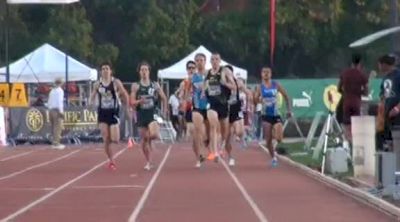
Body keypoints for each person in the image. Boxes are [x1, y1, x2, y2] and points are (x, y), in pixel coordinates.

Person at [89, 62, 129, 170]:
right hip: (102, 112)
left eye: (107, 68)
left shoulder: (116, 82)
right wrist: (90, 103)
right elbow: (92, 96)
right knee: (105, 138)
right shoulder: (97, 84)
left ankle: (111, 139)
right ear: (101, 71)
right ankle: (111, 161)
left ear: (111, 71)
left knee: (115, 139)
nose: (105, 70)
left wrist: (126, 104)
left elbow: (124, 93)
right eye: (103, 69)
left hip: (113, 112)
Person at [130, 62, 168, 171]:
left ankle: (150, 140)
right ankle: (148, 161)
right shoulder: (136, 86)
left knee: (155, 135)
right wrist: (139, 101)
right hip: (141, 114)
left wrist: (164, 111)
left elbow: (164, 98)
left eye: (146, 70)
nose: (144, 72)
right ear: (139, 72)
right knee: (144, 140)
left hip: (153, 113)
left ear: (149, 71)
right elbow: (132, 102)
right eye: (142, 70)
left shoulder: (155, 85)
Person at [254, 67, 292, 167]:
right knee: (268, 141)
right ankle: (273, 157)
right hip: (266, 115)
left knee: (279, 138)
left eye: (268, 72)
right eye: (264, 72)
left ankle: (276, 134)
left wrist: (289, 110)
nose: (266, 74)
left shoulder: (276, 84)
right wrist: (258, 100)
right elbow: (255, 99)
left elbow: (286, 96)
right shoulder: (260, 87)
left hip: (276, 114)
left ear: (271, 74)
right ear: (261, 74)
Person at [204, 53, 236, 162]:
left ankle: (222, 149)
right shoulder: (207, 73)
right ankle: (215, 152)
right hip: (212, 104)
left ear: (220, 61)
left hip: (223, 104)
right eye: (212, 59)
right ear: (210, 61)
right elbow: (205, 85)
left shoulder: (225, 71)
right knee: (213, 126)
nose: (214, 61)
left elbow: (234, 87)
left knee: (224, 133)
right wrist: (204, 92)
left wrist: (225, 83)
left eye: (216, 59)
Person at [224, 66, 253, 166]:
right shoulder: (221, 83)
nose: (227, 75)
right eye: (225, 73)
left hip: (236, 110)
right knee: (227, 139)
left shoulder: (238, 83)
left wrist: (250, 96)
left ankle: (242, 136)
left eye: (229, 73)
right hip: (225, 112)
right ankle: (231, 157)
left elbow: (247, 91)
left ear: (232, 74)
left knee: (238, 131)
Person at [337, 53, 368, 144]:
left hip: (346, 102)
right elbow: (366, 91)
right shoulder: (361, 74)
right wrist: (359, 92)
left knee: (346, 124)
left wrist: (345, 93)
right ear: (360, 63)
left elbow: (338, 88)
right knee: (356, 124)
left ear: (351, 62)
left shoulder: (345, 73)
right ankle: (356, 143)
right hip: (356, 102)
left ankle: (348, 142)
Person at [190, 53, 211, 167]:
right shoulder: (192, 76)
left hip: (209, 107)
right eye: (197, 60)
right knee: (197, 130)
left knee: (207, 135)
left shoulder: (210, 74)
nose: (199, 62)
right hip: (197, 107)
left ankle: (207, 142)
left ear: (205, 61)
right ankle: (200, 156)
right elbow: (187, 90)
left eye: (201, 60)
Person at [377, 54, 400, 152]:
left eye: (380, 64)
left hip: (397, 114)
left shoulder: (398, 76)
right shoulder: (385, 78)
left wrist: (397, 109)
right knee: (386, 139)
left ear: (385, 64)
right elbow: (383, 95)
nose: (379, 67)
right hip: (387, 114)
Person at [178, 60, 196, 141]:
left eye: (193, 68)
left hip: (200, 107)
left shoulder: (200, 80)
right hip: (189, 107)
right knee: (190, 129)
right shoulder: (184, 83)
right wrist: (182, 101)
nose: (191, 70)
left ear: (195, 69)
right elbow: (181, 96)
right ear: (187, 70)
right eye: (189, 68)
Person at [48, 77, 65, 150]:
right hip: (57, 110)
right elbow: (59, 101)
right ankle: (56, 143)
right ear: (61, 83)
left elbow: (49, 101)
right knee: (58, 127)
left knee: (53, 127)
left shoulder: (52, 90)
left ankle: (54, 142)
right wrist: (61, 111)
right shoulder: (60, 91)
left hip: (50, 109)